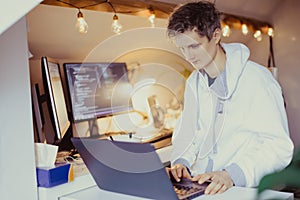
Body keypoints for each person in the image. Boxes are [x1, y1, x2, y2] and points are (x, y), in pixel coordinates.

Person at [166, 1, 294, 195]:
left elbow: (279, 147)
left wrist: (231, 174)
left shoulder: (257, 79)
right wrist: (181, 162)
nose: (188, 56)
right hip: (202, 186)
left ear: (216, 35)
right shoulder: (194, 82)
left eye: (194, 46)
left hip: (241, 188)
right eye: (182, 48)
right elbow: (188, 132)